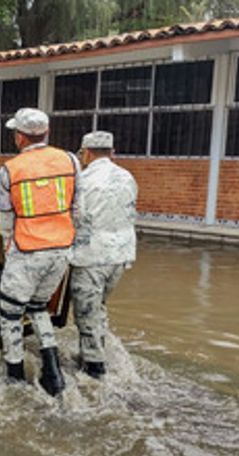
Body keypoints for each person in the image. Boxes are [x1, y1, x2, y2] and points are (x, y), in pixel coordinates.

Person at [0, 108, 79, 397]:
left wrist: (9, 250)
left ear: (20, 137)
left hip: (27, 250)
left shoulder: (9, 170)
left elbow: (6, 220)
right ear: (47, 132)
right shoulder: (70, 161)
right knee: (38, 307)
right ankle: (53, 372)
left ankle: (15, 377)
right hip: (61, 251)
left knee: (10, 312)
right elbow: (76, 207)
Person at [70, 131, 138, 379]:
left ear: (86, 153)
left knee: (86, 314)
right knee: (98, 307)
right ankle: (95, 354)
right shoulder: (127, 177)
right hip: (120, 256)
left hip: (92, 256)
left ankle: (94, 371)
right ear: (112, 152)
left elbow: (75, 218)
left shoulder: (83, 180)